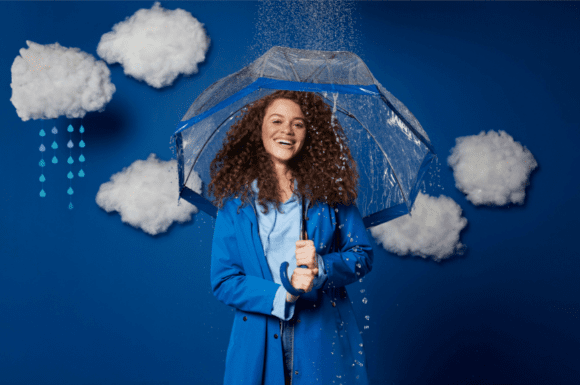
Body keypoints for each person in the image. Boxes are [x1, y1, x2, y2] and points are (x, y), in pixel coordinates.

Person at [208, 90, 374, 385]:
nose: (287, 130)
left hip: (322, 335)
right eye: (276, 121)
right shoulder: (235, 204)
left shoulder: (332, 196)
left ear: (310, 134)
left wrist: (321, 266)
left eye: (298, 124)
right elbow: (224, 281)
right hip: (256, 340)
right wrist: (282, 295)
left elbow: (362, 255)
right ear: (257, 129)